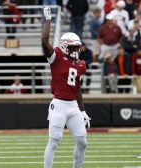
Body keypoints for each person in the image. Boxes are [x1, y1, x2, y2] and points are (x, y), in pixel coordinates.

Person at [42, 6, 91, 168]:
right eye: (73, 47)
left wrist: (82, 110)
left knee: (82, 142)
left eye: (77, 47)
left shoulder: (80, 64)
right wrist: (49, 20)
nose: (76, 50)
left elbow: (77, 89)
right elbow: (44, 41)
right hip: (59, 105)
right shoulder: (56, 57)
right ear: (64, 46)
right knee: (54, 142)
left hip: (73, 106)